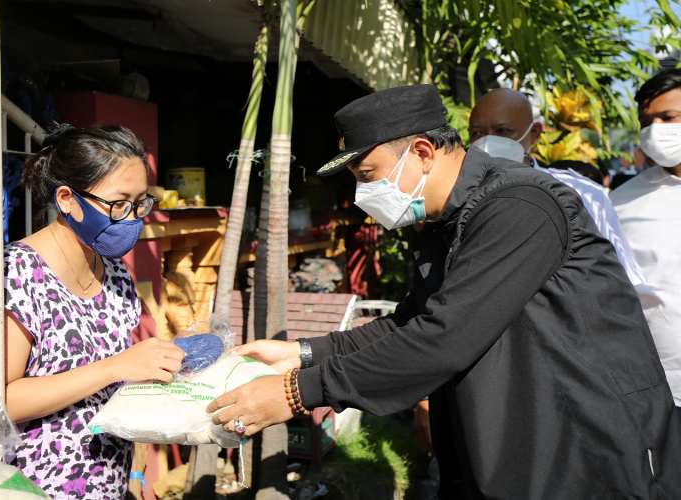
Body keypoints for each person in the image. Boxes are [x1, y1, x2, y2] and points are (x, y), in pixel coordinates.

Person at [206, 85, 681, 499]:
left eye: (367, 175)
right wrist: (304, 353)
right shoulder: (446, 221)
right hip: (517, 442)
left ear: (422, 152)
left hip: (585, 447)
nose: (360, 195)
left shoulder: (520, 205)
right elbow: (412, 322)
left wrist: (296, 393)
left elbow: (442, 338)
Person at [0, 125, 185, 499]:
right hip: (24, 487)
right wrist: (115, 366)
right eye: (118, 203)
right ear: (67, 199)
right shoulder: (14, 274)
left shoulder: (114, 274)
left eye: (141, 203)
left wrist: (137, 468)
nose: (131, 218)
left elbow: (118, 386)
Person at [468, 88, 645, 287]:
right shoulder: (459, 196)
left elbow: (625, 280)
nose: (487, 142)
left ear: (534, 133)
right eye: (477, 134)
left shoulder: (584, 196)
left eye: (502, 131)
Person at [612, 68, 681, 408]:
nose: (656, 131)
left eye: (668, 117)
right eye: (647, 122)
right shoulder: (622, 202)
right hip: (660, 389)